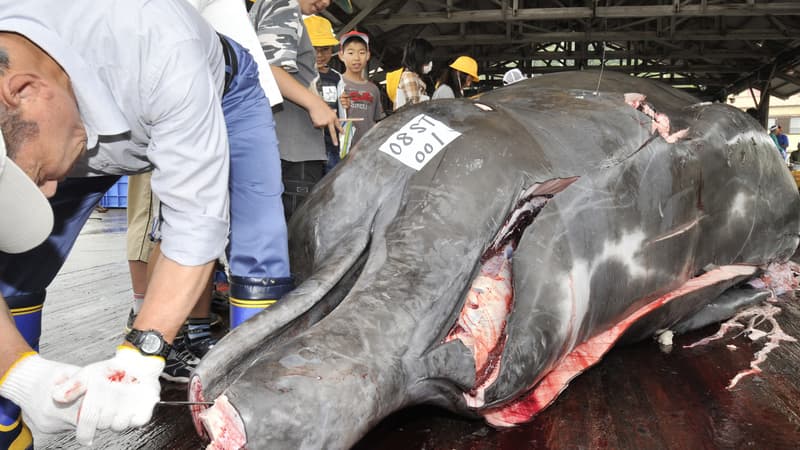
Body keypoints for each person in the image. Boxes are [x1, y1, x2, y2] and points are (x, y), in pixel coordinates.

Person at [0, 0, 290, 446]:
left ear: (23, 90)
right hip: (76, 117)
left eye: (36, 178)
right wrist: (19, 374)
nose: (48, 197)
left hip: (215, 95)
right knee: (13, 272)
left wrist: (142, 354)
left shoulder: (156, 41)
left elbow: (195, 219)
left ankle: (267, 424)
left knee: (259, 256)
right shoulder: (41, 117)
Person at [250, 0, 349, 219]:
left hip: (283, 147)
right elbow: (270, 69)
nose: (325, 3)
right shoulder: (283, 4)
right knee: (293, 239)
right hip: (293, 151)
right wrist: (316, 104)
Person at [304, 15, 343, 173]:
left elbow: (342, 109)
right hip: (307, 144)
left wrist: (345, 104)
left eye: (325, 49)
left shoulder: (337, 77)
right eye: (314, 48)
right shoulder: (298, 76)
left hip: (331, 143)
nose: (319, 55)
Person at [337, 31, 384, 149]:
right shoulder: (337, 83)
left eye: (361, 52)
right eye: (351, 52)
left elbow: (378, 120)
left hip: (368, 147)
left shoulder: (373, 89)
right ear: (341, 55)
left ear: (368, 55)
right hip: (343, 147)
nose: (357, 58)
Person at [394, 38, 434, 110]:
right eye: (428, 60)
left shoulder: (414, 77)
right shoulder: (409, 77)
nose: (430, 64)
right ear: (419, 58)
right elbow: (414, 110)